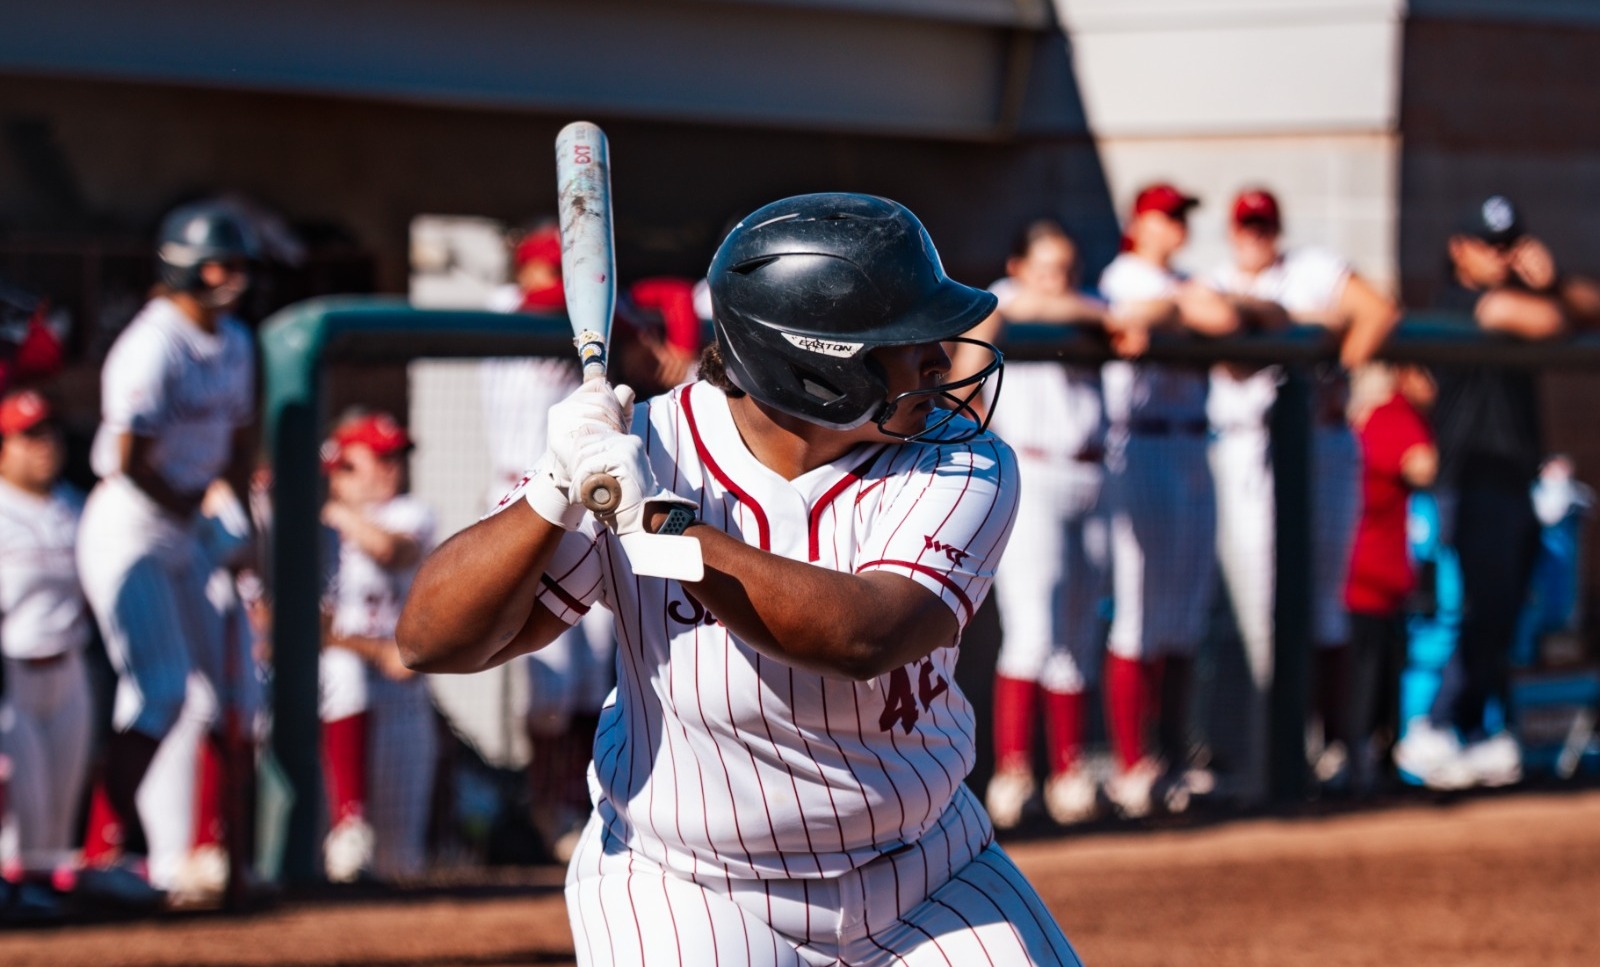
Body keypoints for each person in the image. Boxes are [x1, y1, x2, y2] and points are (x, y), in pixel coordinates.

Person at [399, 193, 1083, 965]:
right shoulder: (649, 446)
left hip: (928, 866)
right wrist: (551, 491)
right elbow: (432, 640)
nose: (940, 355)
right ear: (815, 366)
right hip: (690, 883)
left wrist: (669, 532)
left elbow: (867, 634)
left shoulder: (962, 457)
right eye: (905, 339)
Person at [74, 201, 259, 898]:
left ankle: (229, 859)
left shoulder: (235, 340)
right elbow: (130, 460)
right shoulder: (152, 342)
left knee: (233, 687)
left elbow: (237, 445)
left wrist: (241, 525)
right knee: (161, 687)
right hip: (132, 522)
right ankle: (115, 850)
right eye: (221, 263)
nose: (233, 277)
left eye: (240, 264)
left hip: (189, 519)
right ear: (182, 265)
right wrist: (203, 513)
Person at [1394, 195, 1600, 790]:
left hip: (1515, 478)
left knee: (1508, 610)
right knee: (1474, 607)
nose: (1502, 256)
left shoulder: (1524, 295)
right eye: (1491, 245)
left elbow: (1586, 310)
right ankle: (1429, 729)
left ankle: (1472, 728)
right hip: (1470, 480)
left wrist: (1556, 279)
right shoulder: (1461, 303)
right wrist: (1545, 296)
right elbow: (1548, 322)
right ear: (1460, 249)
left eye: (1510, 244)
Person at [1203, 187, 1400, 801]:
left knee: (1324, 603)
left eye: (1263, 226)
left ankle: (1337, 749)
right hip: (1245, 444)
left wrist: (1337, 363)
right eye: (1245, 227)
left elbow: (1378, 311)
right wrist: (1299, 322)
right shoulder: (1213, 279)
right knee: (1261, 605)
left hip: (1322, 440)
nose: (1255, 237)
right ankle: (1273, 751)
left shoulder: (1309, 267)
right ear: (1232, 232)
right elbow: (1231, 353)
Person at [951, 220, 1110, 828]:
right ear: (1019, 267)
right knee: (1034, 630)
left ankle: (1067, 773)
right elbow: (1003, 314)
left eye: (1067, 270)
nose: (1058, 282)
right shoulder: (1005, 299)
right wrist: (1087, 310)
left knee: (1078, 637)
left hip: (1093, 473)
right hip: (1034, 472)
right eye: (1046, 268)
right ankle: (1014, 776)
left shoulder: (1094, 306)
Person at [1096, 183, 1242, 818]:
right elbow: (1133, 319)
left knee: (1183, 614)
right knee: (1139, 612)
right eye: (1168, 214)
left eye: (1184, 214)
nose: (1179, 224)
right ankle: (1134, 765)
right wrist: (1182, 301)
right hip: (1142, 443)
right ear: (1140, 221)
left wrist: (1180, 300)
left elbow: (1225, 322)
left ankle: (1174, 755)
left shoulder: (1184, 279)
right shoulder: (1122, 272)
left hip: (1189, 445)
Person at [479, 222, 617, 863]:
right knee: (550, 680)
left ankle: (580, 801)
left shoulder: (586, 326)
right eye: (548, 268)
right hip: (523, 499)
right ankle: (545, 807)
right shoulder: (506, 310)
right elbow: (553, 304)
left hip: (587, 504)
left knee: (593, 674)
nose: (556, 281)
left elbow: (668, 299)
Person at [319, 410, 438, 881]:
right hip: (341, 695)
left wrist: (334, 508)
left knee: (398, 858)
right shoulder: (317, 527)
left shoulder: (410, 512)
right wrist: (373, 651)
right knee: (340, 855)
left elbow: (394, 552)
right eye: (380, 457)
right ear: (342, 465)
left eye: (397, 457)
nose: (394, 467)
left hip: (403, 695)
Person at [0, 390, 92, 920]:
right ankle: (17, 889)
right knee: (24, 798)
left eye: (48, 433)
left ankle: (45, 891)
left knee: (59, 800)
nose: (44, 446)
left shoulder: (73, 507)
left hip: (69, 665)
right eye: (28, 435)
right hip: (13, 669)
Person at [1343, 364, 1437, 794]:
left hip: (1381, 575)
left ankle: (1378, 759)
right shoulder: (1390, 415)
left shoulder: (1381, 415)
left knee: (1384, 675)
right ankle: (1358, 760)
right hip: (1365, 576)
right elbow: (1424, 466)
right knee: (1365, 677)